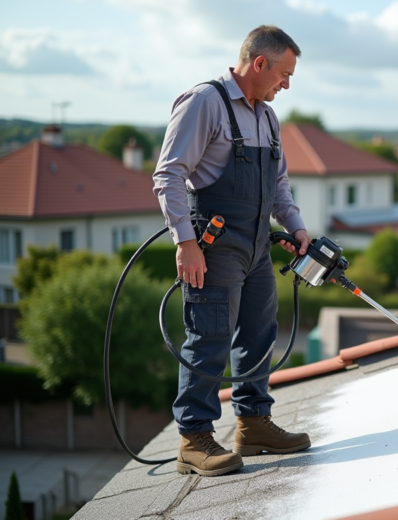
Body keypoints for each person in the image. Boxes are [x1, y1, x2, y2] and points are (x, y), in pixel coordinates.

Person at [153, 25, 311, 477]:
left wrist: (297, 228)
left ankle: (254, 423)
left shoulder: (266, 116)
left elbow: (278, 185)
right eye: (284, 73)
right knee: (210, 336)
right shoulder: (206, 102)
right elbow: (168, 175)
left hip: (257, 244)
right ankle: (194, 438)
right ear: (259, 64)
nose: (286, 83)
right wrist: (186, 243)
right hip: (214, 245)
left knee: (260, 333)